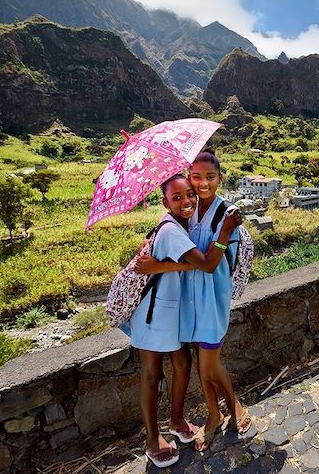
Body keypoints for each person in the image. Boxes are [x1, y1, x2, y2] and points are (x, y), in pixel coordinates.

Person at [137, 149, 251, 452]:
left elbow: (212, 263)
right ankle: (218, 414)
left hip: (212, 299)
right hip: (190, 302)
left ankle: (231, 408)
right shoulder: (190, 210)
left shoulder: (227, 213)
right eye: (196, 177)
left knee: (209, 367)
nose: (202, 184)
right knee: (203, 365)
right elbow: (182, 252)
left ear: (220, 178)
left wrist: (225, 232)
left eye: (209, 177)